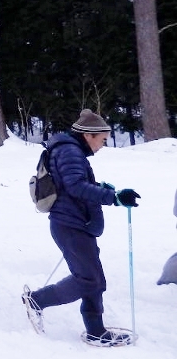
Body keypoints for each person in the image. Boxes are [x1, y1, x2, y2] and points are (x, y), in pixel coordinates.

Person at [21, 109, 141, 346]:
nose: (103, 145)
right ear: (88, 135)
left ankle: (96, 331)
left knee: (95, 279)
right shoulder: (70, 151)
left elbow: (72, 184)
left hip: (75, 223)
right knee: (88, 279)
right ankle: (37, 300)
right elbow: (75, 186)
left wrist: (102, 188)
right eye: (102, 140)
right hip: (69, 225)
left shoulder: (70, 151)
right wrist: (114, 197)